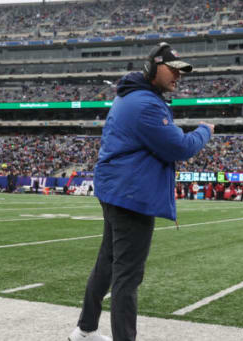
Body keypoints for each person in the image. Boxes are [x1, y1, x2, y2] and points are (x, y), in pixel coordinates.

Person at [69, 42, 214, 341]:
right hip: (131, 195)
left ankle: (85, 330)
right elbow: (179, 147)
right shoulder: (146, 104)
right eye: (172, 69)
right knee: (128, 276)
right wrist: (205, 131)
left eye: (181, 71)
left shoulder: (133, 96)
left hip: (118, 190)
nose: (178, 76)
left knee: (107, 263)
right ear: (153, 67)